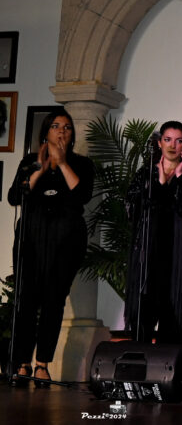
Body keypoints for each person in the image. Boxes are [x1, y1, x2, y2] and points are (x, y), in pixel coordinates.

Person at [7, 108, 94, 387]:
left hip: (65, 242)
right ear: (46, 132)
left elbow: (82, 195)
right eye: (55, 126)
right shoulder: (29, 162)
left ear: (71, 135)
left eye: (67, 127)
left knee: (53, 302)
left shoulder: (82, 164)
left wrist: (62, 163)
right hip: (31, 240)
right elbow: (14, 197)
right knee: (26, 302)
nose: (61, 131)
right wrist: (42, 169)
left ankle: (42, 364)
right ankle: (22, 363)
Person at [124, 121, 182, 345]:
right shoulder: (145, 175)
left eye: (178, 140)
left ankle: (170, 374)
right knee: (143, 319)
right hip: (148, 257)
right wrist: (160, 182)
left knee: (173, 325)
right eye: (168, 139)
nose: (172, 145)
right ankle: (140, 374)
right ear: (159, 143)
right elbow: (133, 209)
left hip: (177, 260)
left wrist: (178, 176)